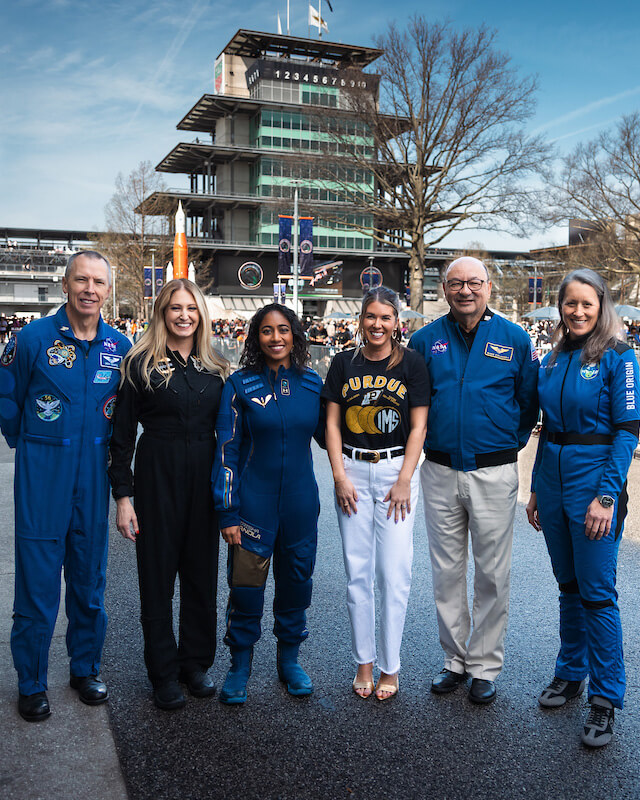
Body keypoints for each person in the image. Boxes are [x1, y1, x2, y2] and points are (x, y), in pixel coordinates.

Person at [0, 251, 131, 722]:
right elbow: (7, 399)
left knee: (89, 580)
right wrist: (36, 446)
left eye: (98, 281)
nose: (89, 289)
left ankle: (84, 668)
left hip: (94, 476)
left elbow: (126, 416)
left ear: (108, 290)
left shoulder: (121, 345)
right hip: (44, 475)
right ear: (65, 284)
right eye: (81, 279)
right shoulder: (32, 339)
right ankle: (32, 682)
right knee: (37, 585)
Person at [410, 256, 539, 705]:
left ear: (489, 288)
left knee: (492, 573)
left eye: (475, 283)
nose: (466, 290)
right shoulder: (424, 340)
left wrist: (504, 445)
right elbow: (416, 404)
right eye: (456, 283)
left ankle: (484, 665)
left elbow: (527, 404)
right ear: (444, 289)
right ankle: (455, 661)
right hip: (440, 470)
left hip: (494, 470)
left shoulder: (514, 338)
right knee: (446, 572)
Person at [526, 269, 639, 747]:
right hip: (551, 485)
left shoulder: (620, 357)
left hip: (595, 485)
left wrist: (607, 497)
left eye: (586, 304)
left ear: (601, 306)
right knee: (568, 587)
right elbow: (547, 429)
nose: (577, 312)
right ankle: (570, 673)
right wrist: (534, 489)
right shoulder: (552, 359)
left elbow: (627, 433)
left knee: (596, 593)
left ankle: (606, 697)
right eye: (569, 303)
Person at [108, 279, 229, 710]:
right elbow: (121, 439)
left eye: (191, 308)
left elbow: (232, 435)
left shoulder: (215, 367)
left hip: (204, 481)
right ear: (162, 312)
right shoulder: (139, 364)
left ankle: (193, 663)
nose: (184, 315)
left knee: (201, 577)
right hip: (157, 478)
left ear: (201, 315)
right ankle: (162, 673)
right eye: (175, 308)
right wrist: (124, 498)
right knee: (156, 580)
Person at [212, 303, 322, 705]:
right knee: (246, 590)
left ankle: (289, 661)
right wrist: (227, 509)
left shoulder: (313, 383)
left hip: (300, 507)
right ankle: (239, 666)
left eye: (284, 330)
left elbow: (335, 437)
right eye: (267, 331)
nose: (276, 337)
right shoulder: (239, 385)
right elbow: (226, 449)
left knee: (297, 586)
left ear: (295, 335)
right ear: (255, 338)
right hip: (252, 508)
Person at [322, 287, 429, 700]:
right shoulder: (343, 363)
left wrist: (405, 477)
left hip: (394, 472)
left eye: (386, 317)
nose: (378, 325)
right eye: (371, 317)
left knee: (394, 572)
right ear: (360, 319)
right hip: (351, 470)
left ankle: (391, 667)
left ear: (397, 322)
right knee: (357, 573)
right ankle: (363, 663)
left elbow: (418, 426)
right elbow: (332, 423)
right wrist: (338, 476)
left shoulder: (412, 364)